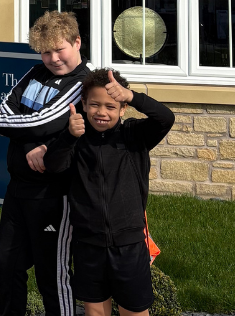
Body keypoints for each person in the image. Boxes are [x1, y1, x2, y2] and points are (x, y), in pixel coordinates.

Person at [45, 69, 175, 316]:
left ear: (123, 108)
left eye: (111, 106)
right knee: (95, 310)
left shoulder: (134, 135)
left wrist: (133, 96)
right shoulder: (76, 139)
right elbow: (53, 165)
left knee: (134, 311)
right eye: (94, 105)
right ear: (83, 104)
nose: (102, 112)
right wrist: (68, 137)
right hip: (88, 243)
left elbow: (166, 118)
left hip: (129, 243)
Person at [0, 10, 92, 316]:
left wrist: (32, 132)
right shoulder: (33, 74)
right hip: (17, 190)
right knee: (6, 266)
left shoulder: (84, 84)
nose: (53, 58)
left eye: (59, 49)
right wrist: (33, 143)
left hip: (53, 196)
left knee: (53, 276)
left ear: (77, 43)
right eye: (46, 52)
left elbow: (41, 120)